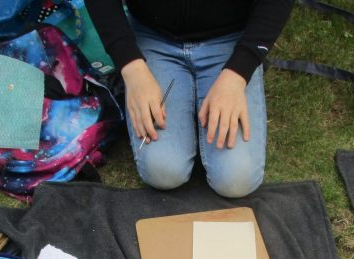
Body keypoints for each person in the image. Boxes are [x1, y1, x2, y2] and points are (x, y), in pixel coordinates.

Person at [88, 0, 295, 198]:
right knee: (163, 171)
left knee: (236, 179)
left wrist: (239, 72)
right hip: (153, 35)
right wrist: (132, 67)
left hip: (231, 40)